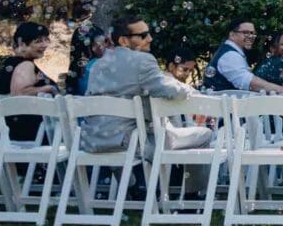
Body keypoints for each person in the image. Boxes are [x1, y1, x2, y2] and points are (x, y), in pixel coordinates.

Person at [78, 15, 211, 155]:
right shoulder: (142, 61)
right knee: (205, 134)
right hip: (131, 141)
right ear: (123, 40)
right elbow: (169, 89)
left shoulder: (97, 65)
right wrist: (192, 92)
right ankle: (193, 178)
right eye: (143, 35)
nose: (150, 39)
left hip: (94, 141)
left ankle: (139, 178)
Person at [0, 22, 58, 141]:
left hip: (13, 133)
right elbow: (19, 94)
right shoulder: (25, 65)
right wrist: (49, 88)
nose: (45, 45)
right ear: (22, 44)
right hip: (30, 136)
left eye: (46, 40)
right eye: (38, 41)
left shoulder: (12, 64)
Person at [202, 19, 283, 94]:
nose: (251, 36)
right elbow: (249, 83)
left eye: (253, 33)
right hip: (224, 113)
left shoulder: (232, 52)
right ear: (232, 34)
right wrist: (282, 89)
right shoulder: (230, 56)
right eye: (246, 32)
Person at [66, 24, 106, 95]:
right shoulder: (97, 65)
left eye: (104, 42)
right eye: (97, 45)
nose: (102, 48)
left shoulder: (75, 68)